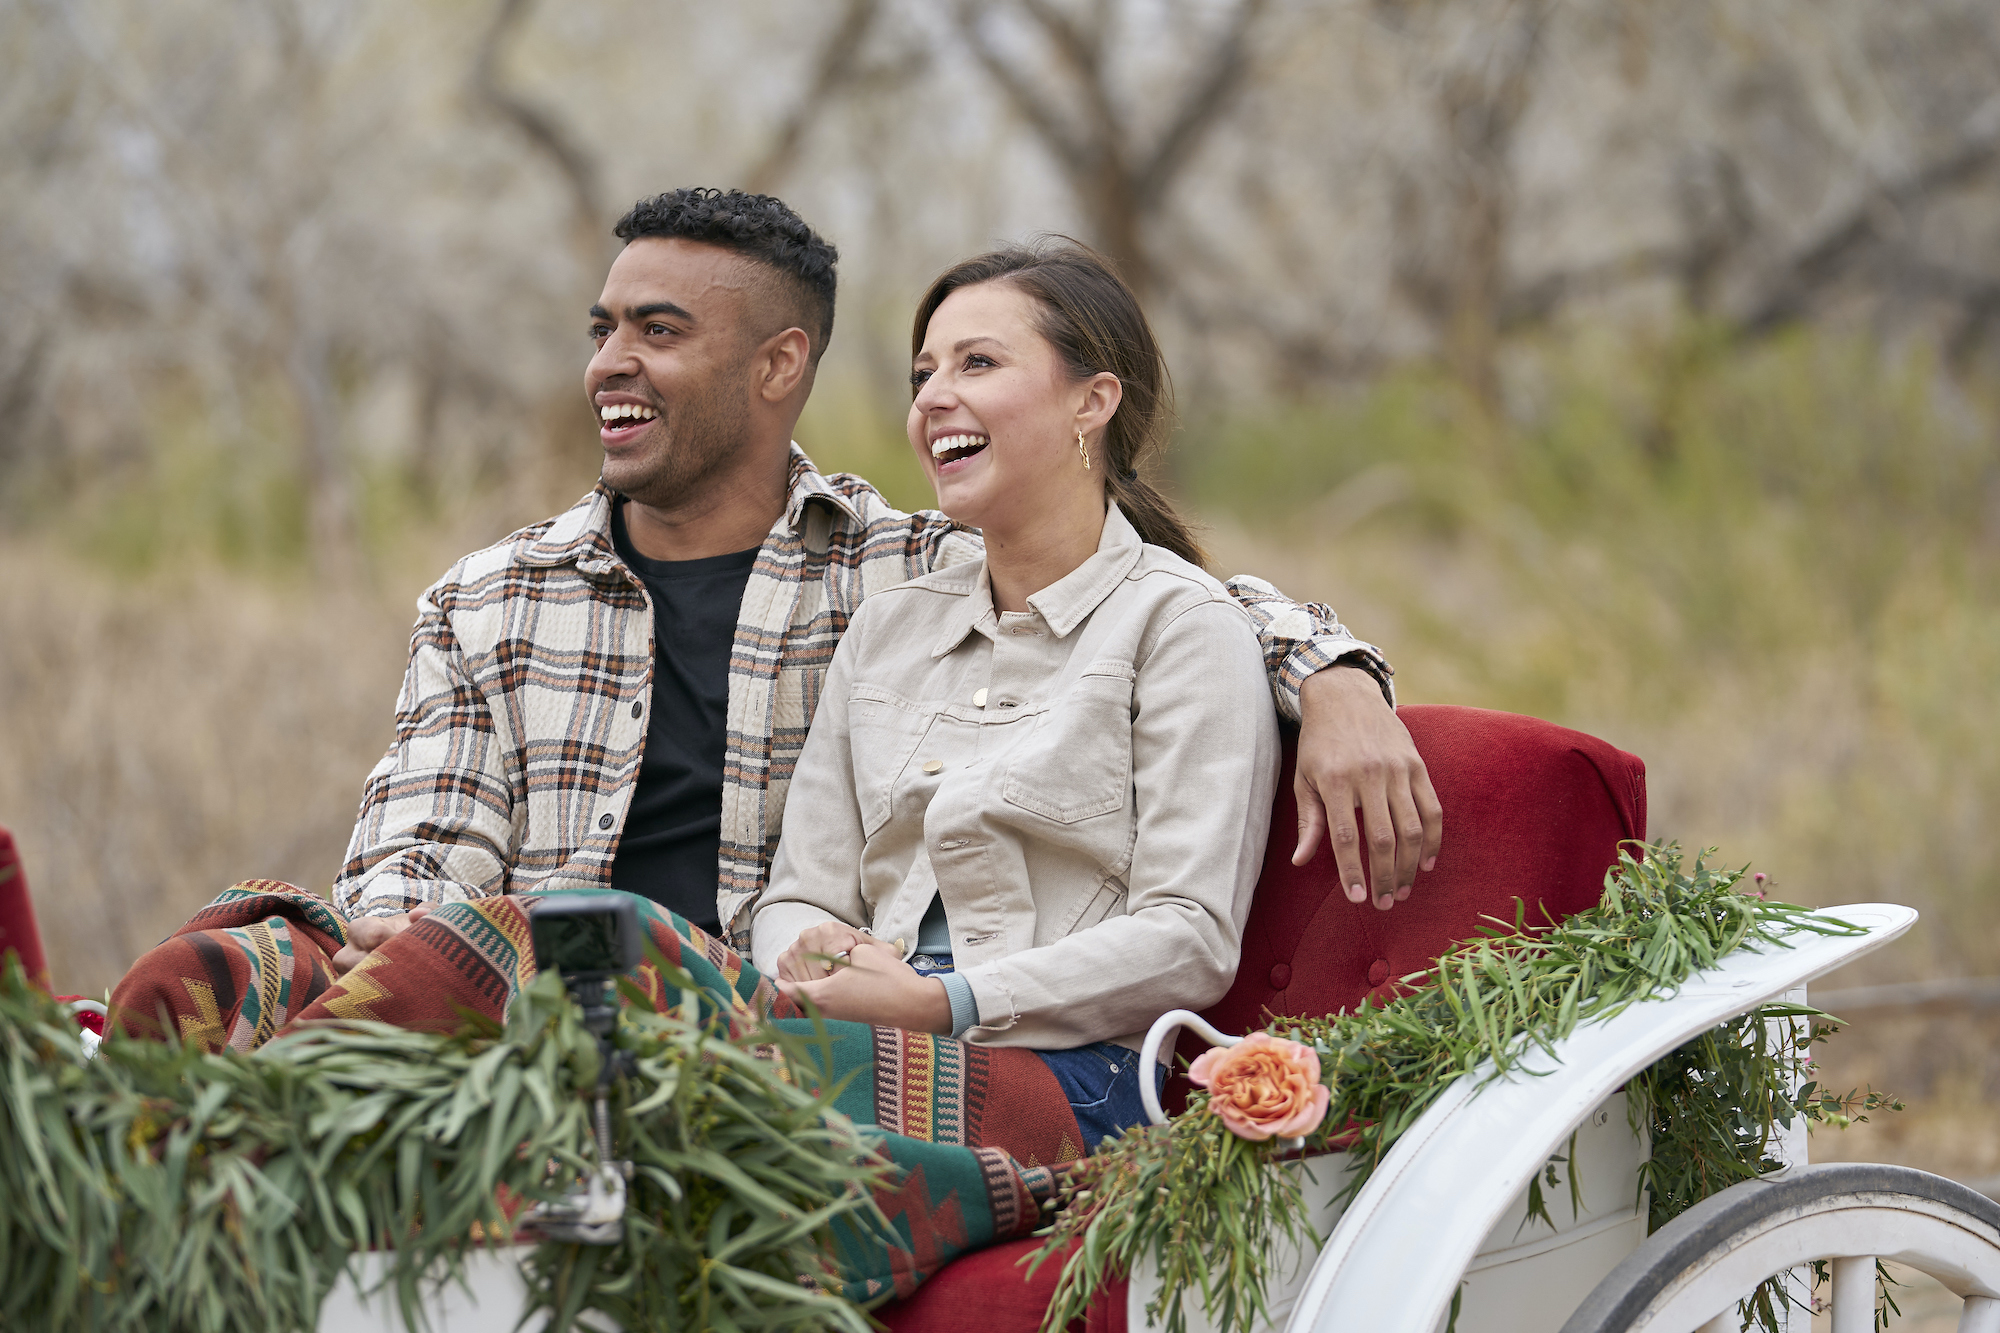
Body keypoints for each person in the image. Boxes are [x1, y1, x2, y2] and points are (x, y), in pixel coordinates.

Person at [324, 188, 1439, 980]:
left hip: (744, 1018)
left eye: (657, 333)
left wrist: (1331, 671)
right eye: (603, 329)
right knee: (233, 963)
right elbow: (421, 839)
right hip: (521, 995)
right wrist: (410, 935)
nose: (608, 362)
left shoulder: (900, 571)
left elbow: (1127, 589)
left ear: (778, 366)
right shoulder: (489, 601)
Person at [750, 241, 1279, 1142]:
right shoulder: (887, 629)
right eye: (924, 373)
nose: (931, 398)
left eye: (978, 363)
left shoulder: (1180, 627)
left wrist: (943, 1001)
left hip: (1070, 1071)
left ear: (1093, 401)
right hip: (867, 1040)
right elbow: (802, 891)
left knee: (742, 1116)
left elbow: (1189, 937)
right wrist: (814, 960)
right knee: (632, 1001)